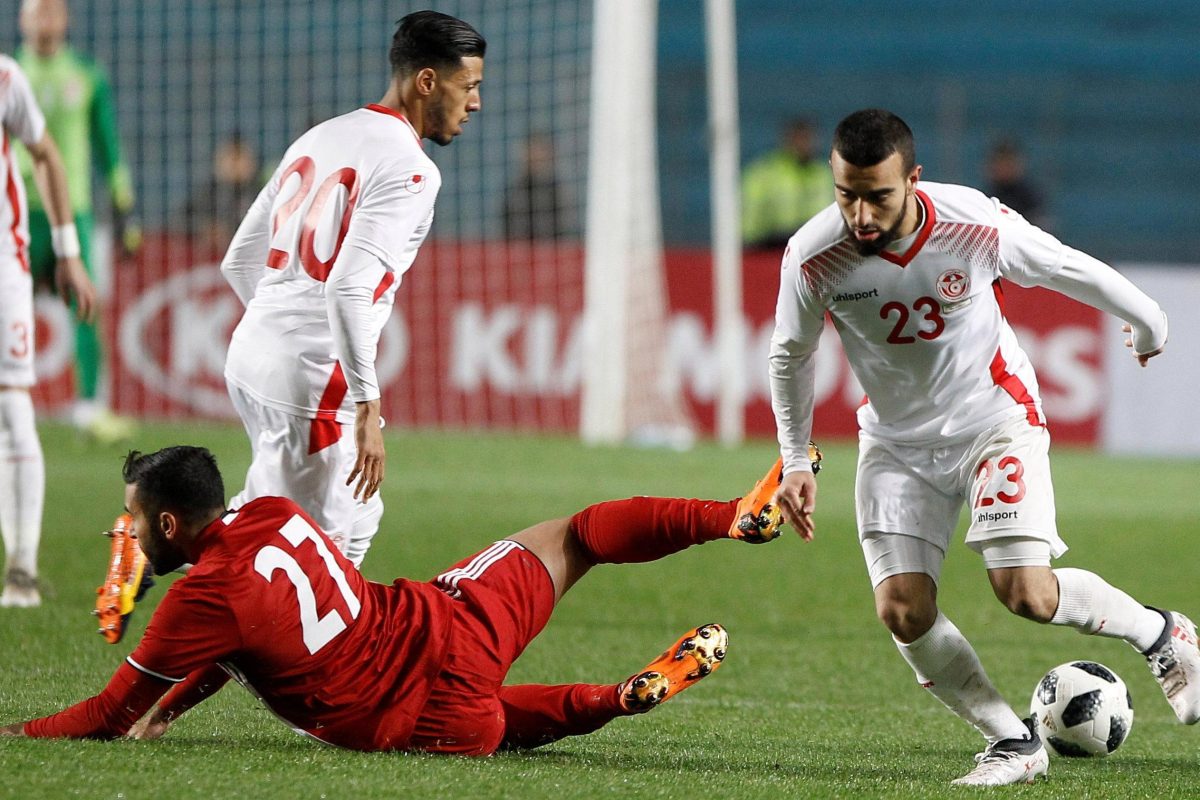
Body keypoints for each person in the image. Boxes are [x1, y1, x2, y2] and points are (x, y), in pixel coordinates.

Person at [767, 108, 1199, 786]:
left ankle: (1159, 633)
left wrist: (1148, 319)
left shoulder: (973, 224)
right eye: (845, 193)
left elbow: (1061, 266)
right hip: (895, 441)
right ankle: (1013, 741)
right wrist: (795, 459)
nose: (860, 214)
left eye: (877, 195)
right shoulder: (814, 256)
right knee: (902, 609)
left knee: (1024, 592)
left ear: (913, 179)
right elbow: (790, 355)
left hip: (993, 421)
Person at [0, 444, 791, 752]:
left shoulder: (200, 599)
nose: (131, 537)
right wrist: (172, 704)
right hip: (450, 618)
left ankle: (615, 699)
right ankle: (732, 516)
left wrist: (20, 728)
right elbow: (235, 639)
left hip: (422, 722)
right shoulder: (273, 512)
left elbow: (106, 716)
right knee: (578, 535)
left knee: (497, 722)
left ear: (169, 523)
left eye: (136, 523)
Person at [220, 11, 484, 567]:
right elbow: (346, 289)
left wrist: (278, 333)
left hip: (251, 356)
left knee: (356, 516)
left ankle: (172, 545)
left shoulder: (321, 135)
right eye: (470, 87)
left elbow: (239, 260)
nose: (476, 103)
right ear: (428, 82)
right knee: (315, 560)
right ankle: (173, 554)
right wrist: (367, 404)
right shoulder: (412, 169)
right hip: (312, 383)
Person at [17, 0, 139, 444]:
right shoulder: (9, 75)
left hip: (74, 213)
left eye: (53, 10)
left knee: (85, 305)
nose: (45, 18)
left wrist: (124, 206)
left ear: (65, 19)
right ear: (22, 19)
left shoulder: (86, 75)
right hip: (17, 212)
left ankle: (88, 408)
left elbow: (108, 144)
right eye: (37, 10)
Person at [0, 52, 97, 607]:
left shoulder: (7, 78)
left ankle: (22, 570)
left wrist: (68, 252)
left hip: (4, 270)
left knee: (12, 408)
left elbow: (46, 155)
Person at [741, 118, 833, 250]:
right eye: (799, 139)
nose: (804, 144)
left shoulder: (825, 174)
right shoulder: (764, 172)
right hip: (769, 246)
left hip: (813, 246)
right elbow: (750, 219)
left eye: (808, 139)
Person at [184, 133, 262, 254]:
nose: (235, 165)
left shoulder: (261, 194)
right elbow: (183, 220)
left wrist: (229, 232)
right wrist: (205, 229)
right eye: (230, 158)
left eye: (239, 158)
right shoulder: (208, 193)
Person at [502, 132, 571, 240]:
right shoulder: (515, 192)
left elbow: (563, 229)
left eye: (539, 151)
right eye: (532, 150)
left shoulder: (556, 192)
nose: (535, 156)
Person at [984, 138, 1048, 230]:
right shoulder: (988, 196)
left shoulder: (1030, 197)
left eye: (1007, 163)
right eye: (1000, 162)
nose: (1003, 168)